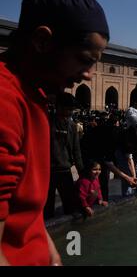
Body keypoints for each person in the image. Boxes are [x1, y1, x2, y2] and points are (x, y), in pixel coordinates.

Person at [0, 0, 109, 265]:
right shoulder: (5, 101)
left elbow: (24, 212)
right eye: (85, 60)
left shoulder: (34, 96)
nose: (89, 75)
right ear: (42, 41)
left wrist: (52, 254)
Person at [44, 92, 84, 220]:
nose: (70, 112)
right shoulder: (47, 121)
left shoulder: (71, 126)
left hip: (65, 171)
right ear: (59, 107)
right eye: (68, 108)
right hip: (47, 171)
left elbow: (76, 151)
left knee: (70, 207)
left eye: (71, 109)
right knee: (47, 208)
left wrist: (82, 173)